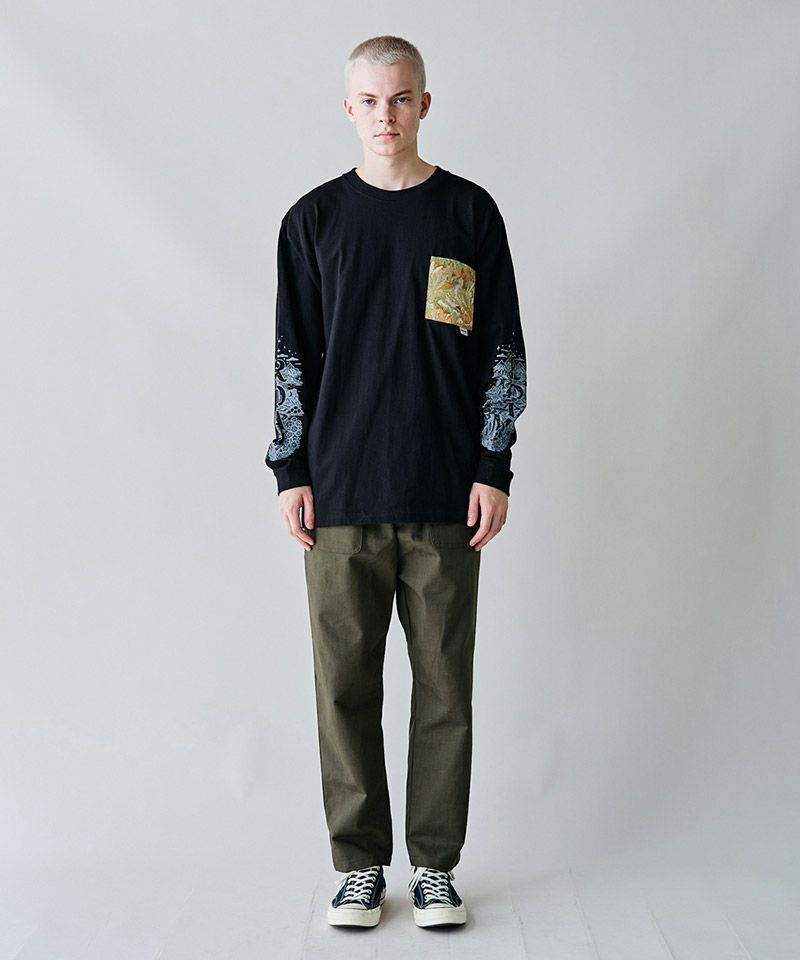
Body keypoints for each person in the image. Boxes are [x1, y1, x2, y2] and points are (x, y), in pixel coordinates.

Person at [264, 34, 527, 930]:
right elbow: (293, 354)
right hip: (339, 494)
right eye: (371, 101)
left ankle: (437, 867)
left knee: (445, 688)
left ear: (425, 103)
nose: (387, 115)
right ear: (349, 109)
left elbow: (500, 348)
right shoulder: (313, 222)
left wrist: (493, 464)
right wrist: (290, 469)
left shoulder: (468, 214)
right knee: (343, 687)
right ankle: (359, 866)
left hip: (446, 493)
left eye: (402, 98)